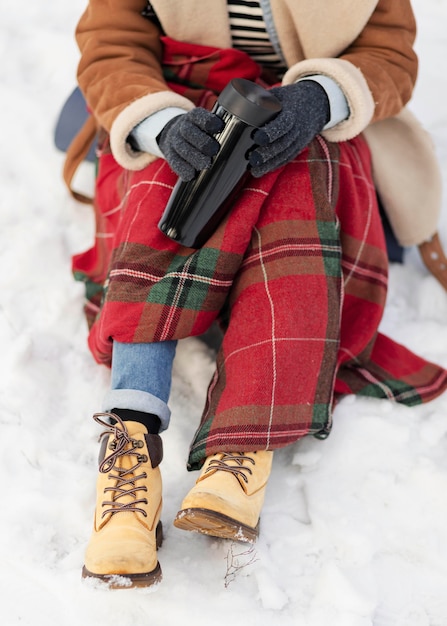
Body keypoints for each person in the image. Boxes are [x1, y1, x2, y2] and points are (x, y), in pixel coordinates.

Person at [65, 0, 447, 588]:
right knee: (166, 190)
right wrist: (159, 122)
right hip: (174, 97)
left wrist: (323, 97)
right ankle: (129, 445)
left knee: (302, 186)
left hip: (310, 115)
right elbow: (111, 40)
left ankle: (242, 448)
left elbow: (390, 53)